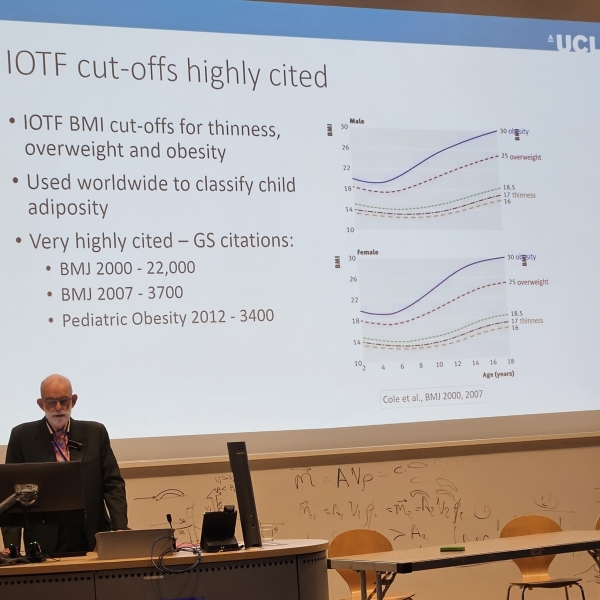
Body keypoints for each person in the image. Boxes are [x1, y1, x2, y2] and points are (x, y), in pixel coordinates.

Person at [1, 374, 127, 554]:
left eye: (63, 401)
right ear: (41, 404)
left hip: (91, 533)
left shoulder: (95, 433)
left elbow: (112, 483)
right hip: (43, 536)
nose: (58, 408)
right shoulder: (22, 437)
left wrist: (120, 528)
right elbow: (11, 492)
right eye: (51, 402)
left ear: (73, 400)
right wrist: (11, 544)